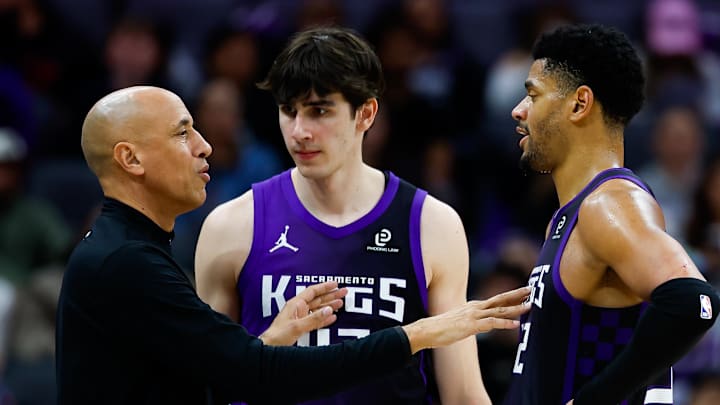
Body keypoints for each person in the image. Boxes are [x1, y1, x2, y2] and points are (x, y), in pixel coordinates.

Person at [55, 85, 531, 405]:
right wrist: (421, 333)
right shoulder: (127, 263)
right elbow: (257, 374)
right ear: (130, 158)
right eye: (183, 133)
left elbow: (209, 378)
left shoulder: (127, 251)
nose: (204, 146)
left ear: (366, 116)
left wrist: (269, 340)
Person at [195, 26, 489, 404]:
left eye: (319, 111)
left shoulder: (433, 224)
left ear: (365, 113)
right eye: (289, 111)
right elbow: (207, 385)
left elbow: (462, 393)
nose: (299, 131)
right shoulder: (231, 225)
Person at [504, 23, 720, 405]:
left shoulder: (609, 203)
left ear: (579, 103)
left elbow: (695, 303)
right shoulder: (568, 217)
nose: (518, 110)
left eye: (533, 96)